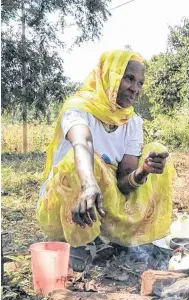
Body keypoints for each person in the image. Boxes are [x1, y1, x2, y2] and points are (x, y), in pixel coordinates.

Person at [37, 50, 175, 272]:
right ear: (109, 75)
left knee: (156, 151)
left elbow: (122, 183)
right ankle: (78, 241)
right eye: (128, 78)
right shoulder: (78, 109)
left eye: (140, 83)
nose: (135, 88)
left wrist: (143, 171)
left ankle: (123, 238)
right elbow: (82, 142)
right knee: (78, 160)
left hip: (105, 200)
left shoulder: (133, 122)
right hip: (63, 199)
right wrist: (90, 183)